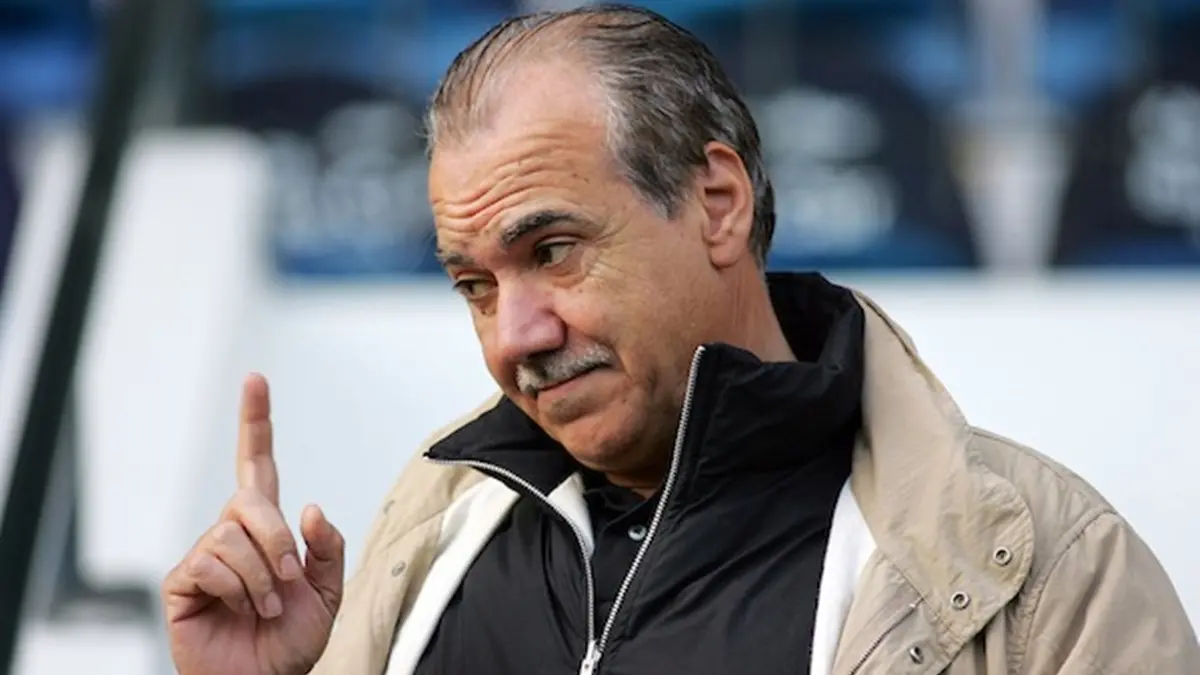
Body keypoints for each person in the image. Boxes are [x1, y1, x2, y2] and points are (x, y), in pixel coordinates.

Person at [162, 5, 1200, 675]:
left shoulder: (1056, 570)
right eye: (475, 286)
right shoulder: (435, 525)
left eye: (554, 251)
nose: (516, 335)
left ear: (717, 205)